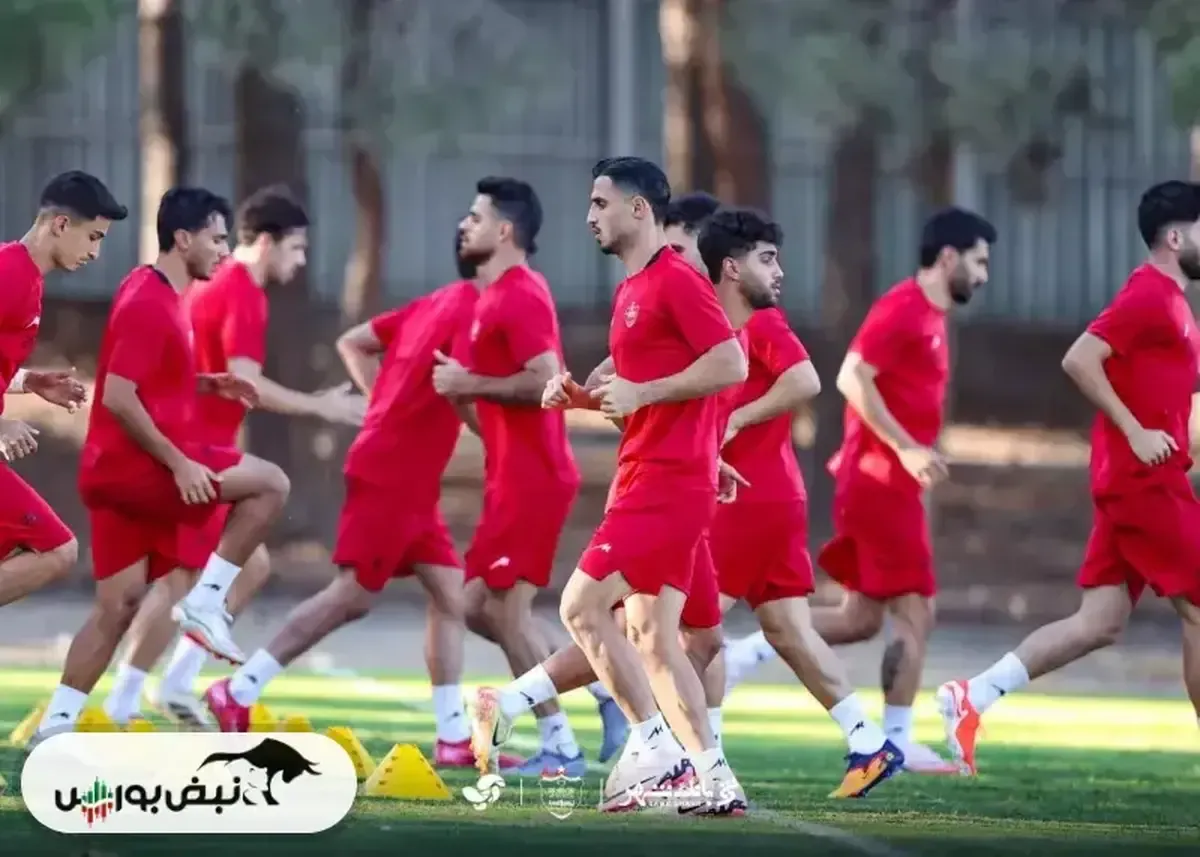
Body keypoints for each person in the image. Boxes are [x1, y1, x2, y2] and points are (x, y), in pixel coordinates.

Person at [482, 157, 749, 815]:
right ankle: (715, 778)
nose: (588, 216)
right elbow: (641, 398)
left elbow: (730, 363)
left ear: (638, 209)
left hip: (663, 484)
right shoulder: (631, 290)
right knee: (655, 640)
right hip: (657, 473)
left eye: (599, 203)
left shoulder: (675, 280)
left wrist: (651, 399)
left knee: (579, 607)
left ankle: (655, 748)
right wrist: (577, 397)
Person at [203, 232, 522, 770]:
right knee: (350, 597)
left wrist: (386, 406)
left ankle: (451, 736)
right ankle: (238, 689)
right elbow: (459, 391)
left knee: (451, 594)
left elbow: (353, 342)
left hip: (407, 476)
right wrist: (503, 442)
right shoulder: (472, 313)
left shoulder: (435, 301)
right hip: (393, 473)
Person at [938, 180, 1200, 775]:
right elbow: (1079, 357)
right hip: (1143, 481)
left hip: (1142, 479)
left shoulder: (1176, 305)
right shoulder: (1149, 293)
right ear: (1175, 236)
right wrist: (1135, 431)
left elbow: (1171, 399)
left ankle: (972, 696)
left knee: (1099, 622)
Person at [722, 207, 995, 774]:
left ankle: (746, 652)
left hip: (887, 484)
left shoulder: (932, 317)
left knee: (860, 620)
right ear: (948, 257)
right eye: (979, 261)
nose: (984, 274)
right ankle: (897, 738)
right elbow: (851, 376)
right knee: (917, 611)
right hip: (879, 483)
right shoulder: (903, 307)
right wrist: (905, 448)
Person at [30, 187, 291, 745]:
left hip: (111, 473)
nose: (226, 251)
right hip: (139, 469)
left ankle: (55, 726)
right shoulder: (150, 302)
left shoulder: (156, 290)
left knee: (117, 606)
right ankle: (205, 603)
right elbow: (118, 395)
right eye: (217, 239)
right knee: (271, 484)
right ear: (184, 238)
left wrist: (206, 383)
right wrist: (179, 465)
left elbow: (148, 378)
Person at [102, 185, 366, 728]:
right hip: (188, 451)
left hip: (190, 444)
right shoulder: (243, 290)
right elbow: (249, 384)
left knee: (248, 565)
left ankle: (173, 685)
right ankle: (123, 702)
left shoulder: (210, 281)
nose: (301, 261)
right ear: (266, 242)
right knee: (185, 578)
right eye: (297, 248)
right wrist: (320, 406)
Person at [695, 207, 904, 797]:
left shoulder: (758, 319)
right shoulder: (717, 319)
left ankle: (700, 765)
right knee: (789, 631)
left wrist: (738, 418)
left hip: (748, 498)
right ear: (730, 267)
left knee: (691, 633)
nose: (780, 271)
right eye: (768, 259)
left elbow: (806, 379)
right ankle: (868, 740)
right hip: (773, 495)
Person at [429, 177, 606, 777]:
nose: (465, 225)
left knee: (504, 613)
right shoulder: (492, 297)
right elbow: (492, 400)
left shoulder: (522, 293)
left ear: (505, 230)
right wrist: (464, 394)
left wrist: (468, 383)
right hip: (510, 478)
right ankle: (601, 683)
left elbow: (547, 380)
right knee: (474, 607)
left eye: (476, 217)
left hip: (535, 478)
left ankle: (561, 747)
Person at [0, 172, 123, 607]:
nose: (95, 252)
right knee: (56, 550)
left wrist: (27, 381)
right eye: (93, 237)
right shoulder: (11, 274)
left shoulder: (26, 278)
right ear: (60, 224)